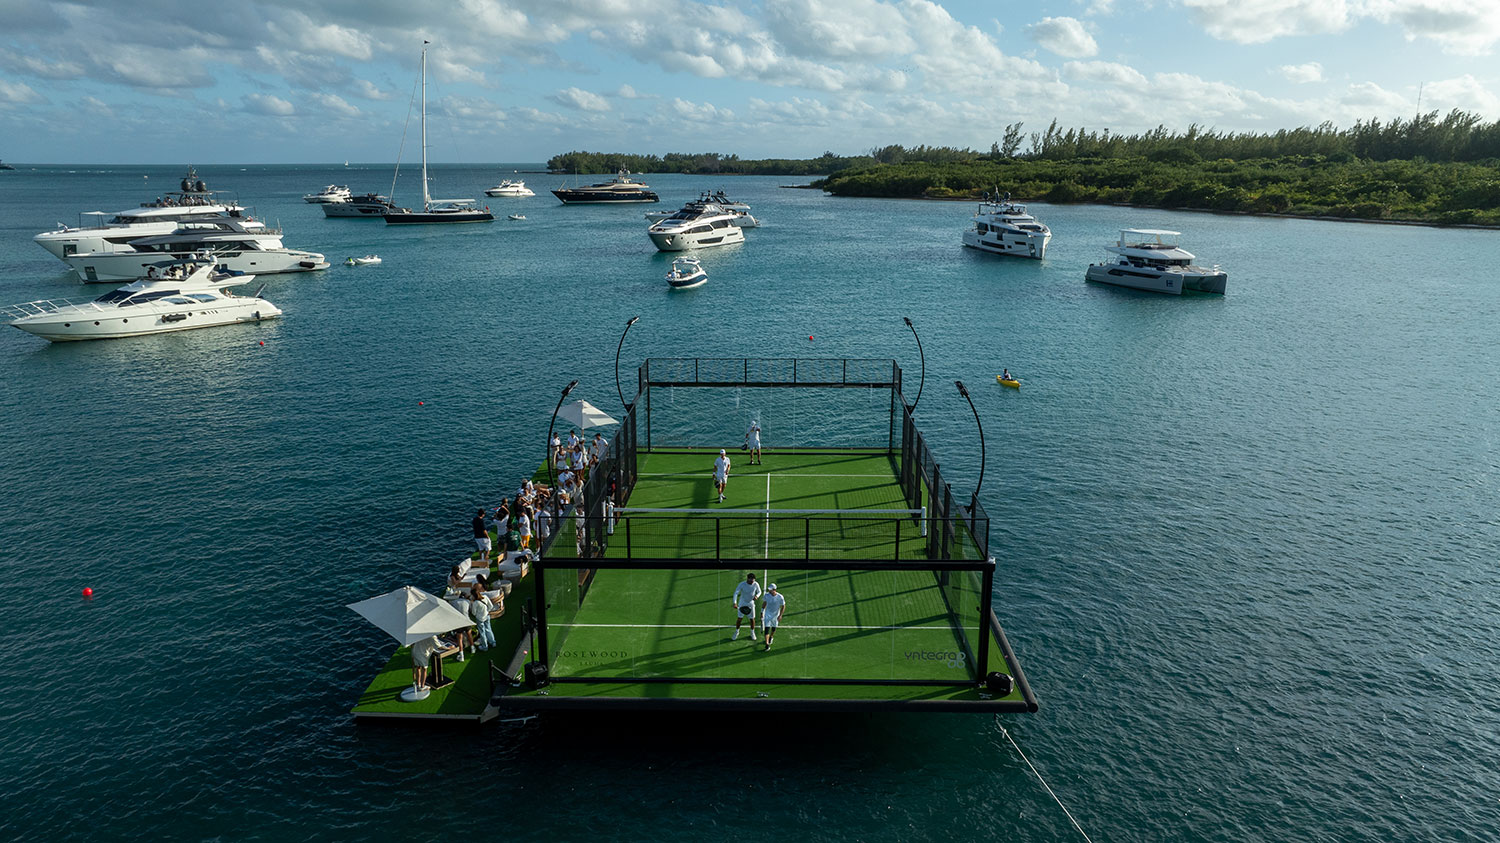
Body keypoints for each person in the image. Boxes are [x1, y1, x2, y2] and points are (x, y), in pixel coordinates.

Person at [730, 572, 761, 641]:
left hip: (751, 603)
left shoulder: (756, 584)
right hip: (742, 603)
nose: (752, 582)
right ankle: (737, 632)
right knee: (739, 619)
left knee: (752, 619)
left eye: (753, 581)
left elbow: (759, 591)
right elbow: (736, 593)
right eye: (750, 581)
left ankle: (752, 632)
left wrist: (757, 596)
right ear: (747, 579)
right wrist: (735, 603)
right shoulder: (742, 584)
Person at [469, 583, 495, 653]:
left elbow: (473, 613)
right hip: (487, 616)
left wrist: (471, 605)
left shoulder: (475, 603)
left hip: (480, 619)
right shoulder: (485, 597)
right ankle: (493, 642)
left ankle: (485, 647)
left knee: (482, 632)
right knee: (489, 629)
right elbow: (491, 606)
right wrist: (487, 611)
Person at [761, 583, 786, 650]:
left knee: (773, 628)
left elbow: (783, 606)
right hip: (767, 614)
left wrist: (780, 615)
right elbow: (764, 603)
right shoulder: (766, 595)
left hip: (776, 615)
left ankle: (771, 637)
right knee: (767, 629)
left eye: (771, 590)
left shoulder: (780, 597)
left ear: (774, 590)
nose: (769, 591)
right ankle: (767, 644)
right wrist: (762, 611)